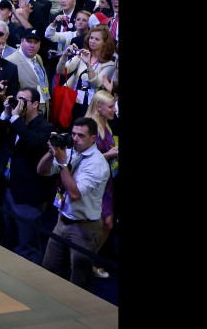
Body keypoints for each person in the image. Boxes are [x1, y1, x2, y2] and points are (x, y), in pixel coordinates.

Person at [38, 117, 111, 290]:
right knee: (49, 271)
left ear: (93, 138)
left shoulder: (97, 164)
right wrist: (51, 152)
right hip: (62, 221)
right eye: (73, 134)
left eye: (81, 136)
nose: (75, 139)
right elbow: (41, 170)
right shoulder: (70, 151)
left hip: (84, 229)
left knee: (79, 281)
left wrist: (63, 163)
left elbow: (74, 194)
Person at [0, 87, 57, 264]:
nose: (18, 104)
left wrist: (15, 118)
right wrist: (5, 114)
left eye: (23, 101)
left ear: (35, 104)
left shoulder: (46, 127)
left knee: (27, 247)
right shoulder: (13, 120)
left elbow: (32, 143)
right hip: (7, 189)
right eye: (16, 99)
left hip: (28, 196)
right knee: (6, 239)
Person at [82, 90, 119, 279]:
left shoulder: (106, 124)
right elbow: (85, 158)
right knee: (99, 225)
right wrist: (110, 155)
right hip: (95, 184)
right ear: (99, 107)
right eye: (111, 106)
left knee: (107, 224)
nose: (114, 110)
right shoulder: (90, 128)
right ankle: (86, 261)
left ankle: (90, 260)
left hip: (107, 183)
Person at [56, 26, 117, 120]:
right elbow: (61, 71)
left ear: (105, 43)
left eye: (97, 39)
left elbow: (96, 84)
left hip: (93, 105)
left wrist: (88, 64)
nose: (92, 41)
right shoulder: (82, 54)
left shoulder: (110, 63)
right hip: (74, 101)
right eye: (91, 38)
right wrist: (64, 56)